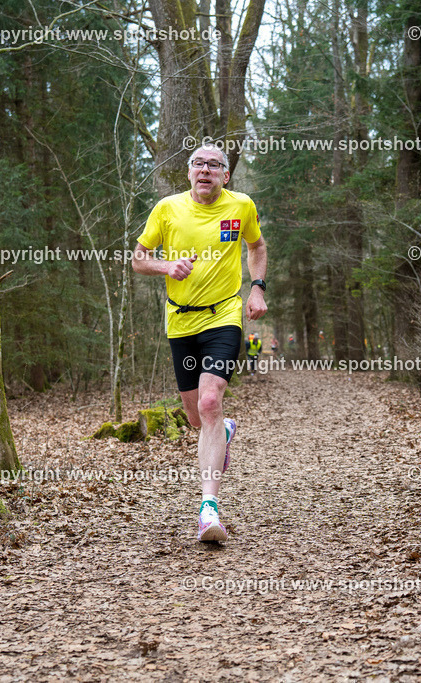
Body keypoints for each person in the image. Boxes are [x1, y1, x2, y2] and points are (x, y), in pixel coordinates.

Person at [132, 142, 267, 543]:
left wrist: (256, 288)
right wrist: (165, 265)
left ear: (226, 174)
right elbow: (138, 258)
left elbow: (257, 246)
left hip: (223, 316)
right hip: (180, 321)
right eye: (198, 164)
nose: (205, 170)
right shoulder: (167, 209)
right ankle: (222, 430)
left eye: (214, 165)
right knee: (196, 418)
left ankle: (209, 509)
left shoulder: (241, 206)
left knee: (210, 401)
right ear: (189, 172)